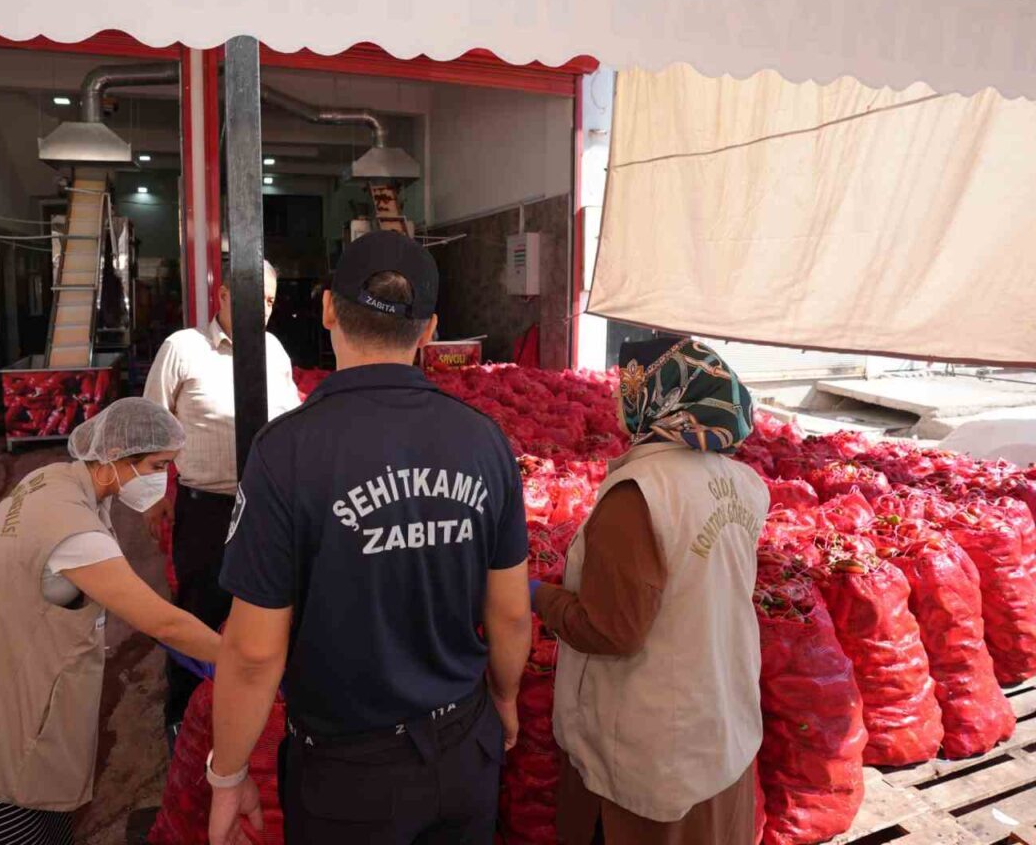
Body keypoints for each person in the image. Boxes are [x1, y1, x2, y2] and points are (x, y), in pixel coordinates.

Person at [206, 231, 532, 845]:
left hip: (348, 778)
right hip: (464, 750)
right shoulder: (484, 442)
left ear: (329, 309)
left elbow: (253, 652)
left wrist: (228, 774)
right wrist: (506, 698)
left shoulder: (285, 452)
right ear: (430, 330)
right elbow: (512, 613)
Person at [0, 398, 221, 845]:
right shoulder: (73, 533)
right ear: (114, 456)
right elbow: (164, 624)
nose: (162, 478)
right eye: (156, 465)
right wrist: (247, 660)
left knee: (38, 821)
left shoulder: (50, 480)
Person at [532, 337, 768, 845]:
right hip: (719, 714)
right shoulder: (744, 482)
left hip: (653, 736)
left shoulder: (639, 492)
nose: (619, 401)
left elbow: (611, 631)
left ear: (657, 398)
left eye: (628, 389)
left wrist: (536, 595)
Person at [142, 258, 301, 746]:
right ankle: (184, 716)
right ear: (225, 295)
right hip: (207, 509)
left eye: (271, 300)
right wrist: (151, 495)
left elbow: (292, 421)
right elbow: (150, 423)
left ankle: (258, 716)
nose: (264, 310)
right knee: (199, 611)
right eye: (256, 298)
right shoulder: (183, 349)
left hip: (270, 509)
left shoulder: (274, 352)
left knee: (265, 612)